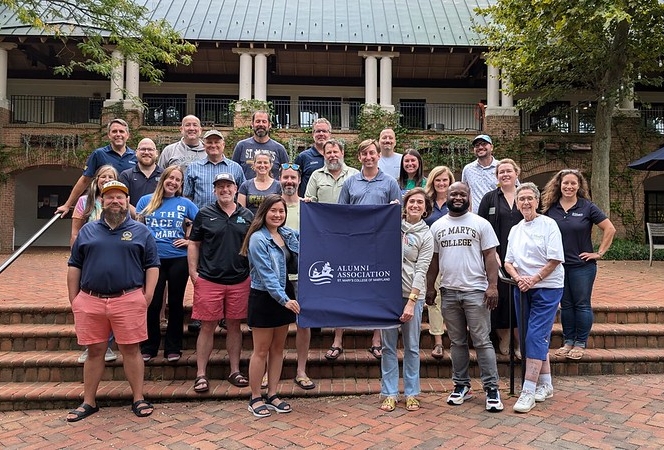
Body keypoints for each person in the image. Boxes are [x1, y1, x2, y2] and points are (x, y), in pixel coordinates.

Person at [66, 180, 159, 422]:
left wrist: (146, 296)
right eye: (109, 197)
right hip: (91, 300)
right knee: (94, 351)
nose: (115, 201)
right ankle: (89, 402)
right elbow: (74, 265)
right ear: (101, 201)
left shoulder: (141, 231)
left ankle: (138, 398)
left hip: (127, 298)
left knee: (131, 350)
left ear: (128, 201)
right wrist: (74, 299)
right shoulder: (87, 231)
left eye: (120, 197)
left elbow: (152, 266)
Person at [425, 181, 504, 413]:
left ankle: (492, 389)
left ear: (469, 197)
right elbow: (434, 260)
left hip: (476, 291)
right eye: (453, 194)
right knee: (457, 342)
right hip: (449, 291)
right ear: (446, 196)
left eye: (462, 194)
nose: (457, 197)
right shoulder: (437, 226)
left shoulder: (481, 223)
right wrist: (430, 287)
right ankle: (462, 386)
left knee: (482, 341)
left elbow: (490, 255)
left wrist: (492, 286)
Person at [187, 172, 253, 392]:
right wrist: (193, 273)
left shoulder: (247, 215)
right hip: (209, 279)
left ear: (236, 189)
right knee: (207, 326)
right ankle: (201, 374)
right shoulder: (204, 214)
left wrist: (252, 273)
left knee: (234, 326)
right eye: (220, 187)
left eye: (228, 186)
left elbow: (254, 246)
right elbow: (194, 243)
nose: (225, 190)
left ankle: (235, 370)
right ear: (215, 190)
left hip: (239, 279)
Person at [337, 139, 402, 360]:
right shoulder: (350, 182)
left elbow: (399, 214)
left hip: (380, 246)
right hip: (353, 244)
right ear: (359, 157)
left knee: (377, 290)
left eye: (372, 153)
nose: (368, 157)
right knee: (345, 288)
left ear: (378, 156)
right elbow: (341, 214)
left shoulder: (390, 182)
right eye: (364, 154)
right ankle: (338, 339)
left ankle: (376, 339)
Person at [503, 182, 565, 413]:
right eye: (522, 199)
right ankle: (546, 384)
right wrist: (519, 278)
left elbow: (555, 259)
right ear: (517, 203)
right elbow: (508, 262)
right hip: (522, 287)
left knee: (536, 336)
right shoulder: (516, 229)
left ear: (537, 201)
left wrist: (533, 279)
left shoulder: (549, 225)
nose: (526, 202)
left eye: (530, 198)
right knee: (531, 336)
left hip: (547, 287)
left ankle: (528, 390)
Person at [541, 169, 615, 360]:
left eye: (573, 183)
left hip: (582, 266)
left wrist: (599, 253)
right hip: (558, 267)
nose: (569, 186)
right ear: (560, 185)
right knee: (565, 305)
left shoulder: (587, 207)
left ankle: (580, 343)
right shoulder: (551, 208)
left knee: (581, 304)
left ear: (579, 186)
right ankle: (568, 341)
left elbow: (609, 228)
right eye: (566, 183)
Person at [240, 194, 300, 418]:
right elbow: (266, 275)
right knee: (261, 350)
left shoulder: (286, 234)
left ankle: (273, 394)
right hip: (266, 297)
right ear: (264, 212)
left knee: (278, 349)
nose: (278, 215)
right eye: (273, 211)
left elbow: (314, 237)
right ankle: (255, 396)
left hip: (285, 295)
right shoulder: (257, 238)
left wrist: (315, 210)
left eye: (281, 211)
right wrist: (284, 300)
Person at [136, 166, 199, 362]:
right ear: (163, 179)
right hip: (153, 260)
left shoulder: (184, 203)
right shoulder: (146, 201)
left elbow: (203, 225)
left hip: (178, 258)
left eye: (177, 180)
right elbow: (137, 226)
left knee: (175, 303)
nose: (173, 182)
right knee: (153, 303)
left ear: (181, 184)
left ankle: (173, 347)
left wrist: (189, 241)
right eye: (170, 178)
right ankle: (149, 346)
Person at [379, 188, 434, 412]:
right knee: (388, 347)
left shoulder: (426, 235)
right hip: (388, 297)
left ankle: (412, 393)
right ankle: (390, 393)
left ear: (425, 209)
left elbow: (421, 271)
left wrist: (412, 301)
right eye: (412, 202)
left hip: (412, 295)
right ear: (405, 205)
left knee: (412, 347)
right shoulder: (392, 226)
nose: (415, 206)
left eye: (420, 203)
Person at [70, 164, 120, 364]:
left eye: (111, 176)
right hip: (89, 258)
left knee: (112, 303)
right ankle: (89, 347)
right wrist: (76, 256)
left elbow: (138, 218)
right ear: (96, 180)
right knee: (90, 304)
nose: (106, 179)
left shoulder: (119, 202)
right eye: (103, 176)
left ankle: (107, 345)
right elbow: (75, 232)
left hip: (115, 258)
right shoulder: (85, 202)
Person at [478, 158, 524, 358]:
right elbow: (480, 227)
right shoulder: (490, 198)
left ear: (516, 173)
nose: (505, 175)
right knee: (500, 299)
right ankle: (503, 338)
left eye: (508, 171)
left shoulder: (525, 196)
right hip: (496, 256)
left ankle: (519, 342)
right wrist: (491, 253)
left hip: (522, 258)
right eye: (501, 172)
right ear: (496, 177)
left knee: (520, 300)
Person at [280, 164, 315, 390]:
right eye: (285, 178)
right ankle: (269, 370)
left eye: (293, 177)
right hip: (278, 276)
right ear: (279, 179)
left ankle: (301, 371)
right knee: (276, 326)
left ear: (299, 180)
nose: (289, 181)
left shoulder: (309, 207)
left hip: (303, 275)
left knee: (303, 324)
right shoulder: (273, 206)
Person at [56, 119, 136, 216]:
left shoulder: (135, 156)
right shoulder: (99, 154)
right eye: (114, 131)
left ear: (127, 135)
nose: (118, 134)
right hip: (103, 208)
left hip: (127, 208)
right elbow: (85, 180)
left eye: (121, 131)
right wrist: (67, 205)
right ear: (109, 135)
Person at [423, 165, 455, 359]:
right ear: (432, 182)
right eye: (438, 180)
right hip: (432, 258)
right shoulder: (427, 203)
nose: (442, 184)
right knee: (434, 300)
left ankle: (456, 339)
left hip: (454, 258)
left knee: (453, 301)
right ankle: (438, 342)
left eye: (445, 180)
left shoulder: (458, 201)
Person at [184, 130, 246, 209]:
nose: (213, 145)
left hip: (228, 218)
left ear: (223, 145)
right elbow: (187, 197)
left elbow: (242, 195)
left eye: (217, 142)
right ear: (204, 145)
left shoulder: (236, 168)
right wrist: (189, 220)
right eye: (209, 142)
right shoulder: (193, 168)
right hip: (201, 218)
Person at [232, 110, 290, 180]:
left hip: (273, 191)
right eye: (258, 121)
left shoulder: (279, 149)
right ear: (252, 124)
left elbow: (286, 174)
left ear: (269, 125)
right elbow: (234, 172)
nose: (261, 124)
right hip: (246, 190)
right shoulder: (241, 146)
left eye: (264, 121)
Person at [304, 139, 359, 204]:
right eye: (329, 152)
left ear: (342, 153)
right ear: (324, 155)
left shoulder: (355, 175)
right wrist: (309, 200)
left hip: (347, 214)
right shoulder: (316, 175)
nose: (332, 155)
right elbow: (309, 201)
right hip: (322, 214)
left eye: (335, 152)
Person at [120, 138, 163, 208]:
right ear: (136, 152)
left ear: (156, 153)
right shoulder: (126, 175)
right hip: (134, 217)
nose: (146, 152)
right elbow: (123, 201)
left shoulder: (165, 175)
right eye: (143, 149)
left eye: (150, 149)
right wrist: (138, 215)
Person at [294, 118, 331, 197]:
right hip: (308, 205)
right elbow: (295, 181)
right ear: (313, 134)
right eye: (318, 131)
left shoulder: (334, 157)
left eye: (324, 131)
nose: (321, 134)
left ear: (329, 134)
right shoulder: (303, 157)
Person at [461, 134, 499, 213]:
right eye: (477, 145)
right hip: (476, 218)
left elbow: (515, 189)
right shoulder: (468, 169)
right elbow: (465, 193)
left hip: (498, 216)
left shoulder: (502, 168)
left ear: (491, 147)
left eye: (484, 144)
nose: (480, 147)